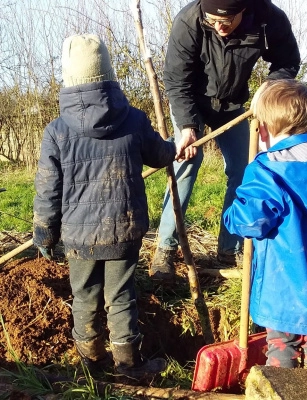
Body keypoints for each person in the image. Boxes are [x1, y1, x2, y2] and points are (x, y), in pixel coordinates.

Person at [32, 34, 192, 380]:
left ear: (69, 79)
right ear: (107, 73)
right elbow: (160, 155)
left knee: (84, 296)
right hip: (124, 227)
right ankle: (128, 365)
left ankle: (91, 362)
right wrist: (177, 146)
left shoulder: (56, 131)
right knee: (120, 295)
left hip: (79, 236)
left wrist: (44, 232)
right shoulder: (133, 119)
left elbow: (48, 189)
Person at [150, 0, 301, 282]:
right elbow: (176, 80)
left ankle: (229, 250)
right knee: (187, 163)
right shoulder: (189, 21)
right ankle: (166, 248)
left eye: (227, 21)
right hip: (191, 102)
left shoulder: (268, 18)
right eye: (212, 21)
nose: (219, 27)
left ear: (243, 10)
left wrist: (267, 90)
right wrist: (186, 127)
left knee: (245, 170)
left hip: (232, 105)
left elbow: (288, 61)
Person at [224, 79, 307, 370]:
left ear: (265, 130)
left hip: (282, 286)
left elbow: (249, 222)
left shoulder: (267, 170)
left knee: (282, 346)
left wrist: (232, 213)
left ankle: (280, 387)